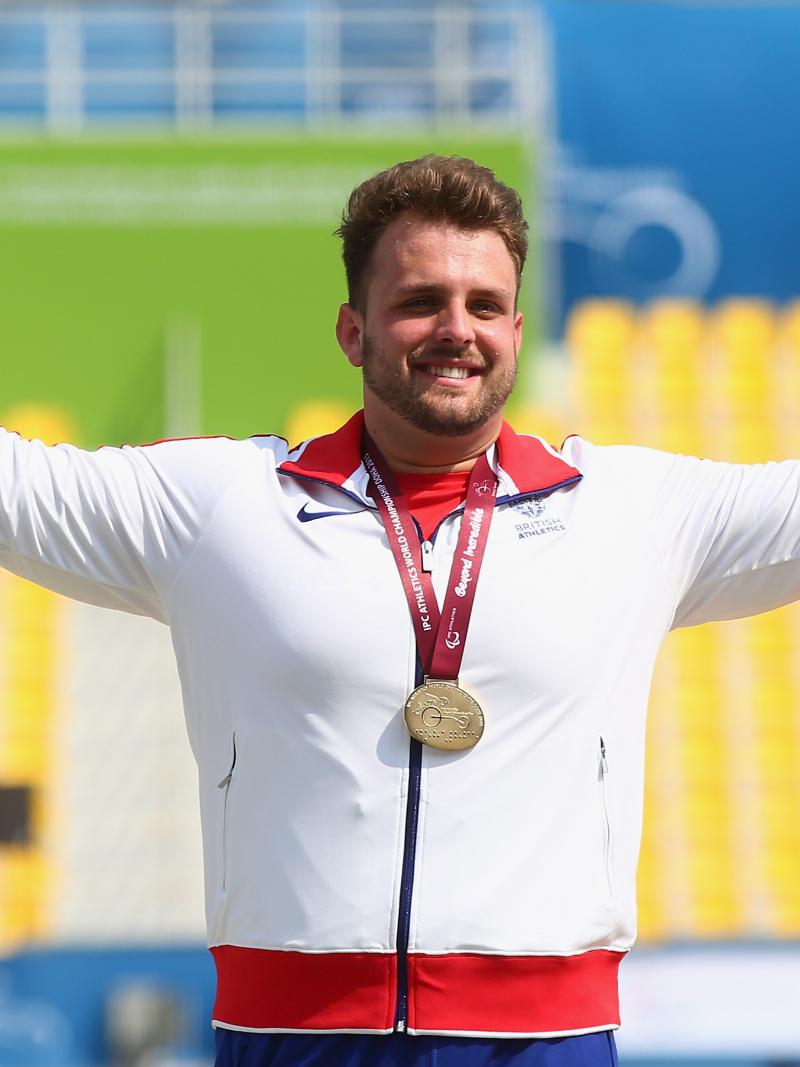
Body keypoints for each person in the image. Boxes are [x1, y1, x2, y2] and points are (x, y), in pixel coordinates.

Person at [2, 155, 800, 1067]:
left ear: (517, 326)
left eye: (485, 305)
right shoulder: (223, 505)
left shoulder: (629, 511)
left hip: (544, 1039)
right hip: (290, 1035)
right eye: (420, 300)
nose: (456, 330)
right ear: (352, 330)